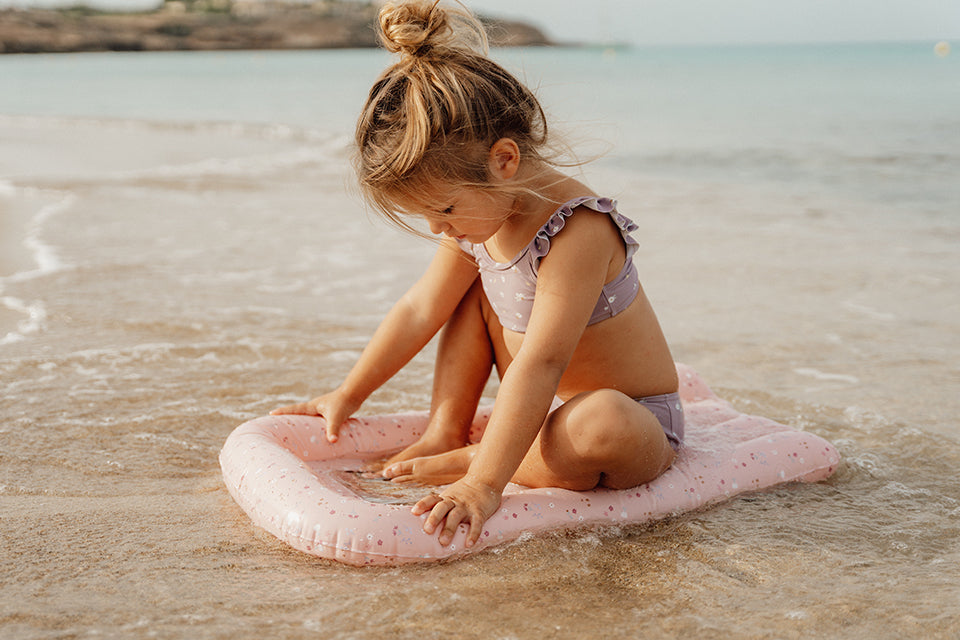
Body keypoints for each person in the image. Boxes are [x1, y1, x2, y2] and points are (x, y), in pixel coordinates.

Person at [272, 0, 683, 549]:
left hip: (633, 421)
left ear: (505, 160)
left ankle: (478, 456)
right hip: (546, 412)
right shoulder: (483, 216)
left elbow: (543, 360)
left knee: (601, 419)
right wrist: (349, 393)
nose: (442, 230)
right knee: (467, 292)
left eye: (443, 210)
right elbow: (422, 308)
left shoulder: (579, 229)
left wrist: (482, 483)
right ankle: (449, 426)